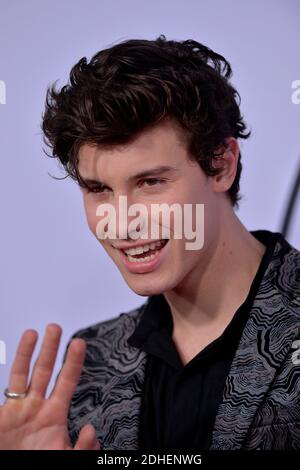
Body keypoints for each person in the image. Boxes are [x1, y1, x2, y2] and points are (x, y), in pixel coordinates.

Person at [1, 35, 299, 451]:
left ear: (221, 165)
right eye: (98, 189)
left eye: (150, 182)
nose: (121, 223)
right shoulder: (91, 363)